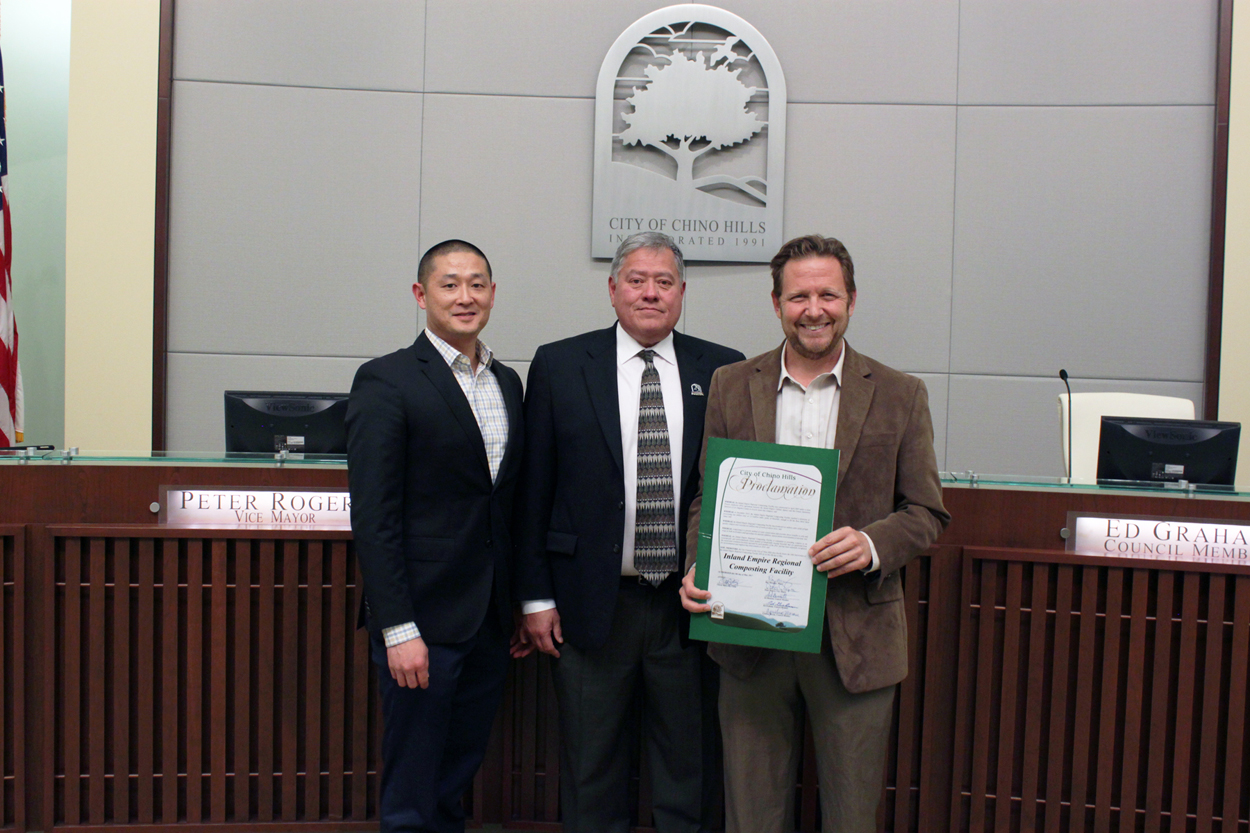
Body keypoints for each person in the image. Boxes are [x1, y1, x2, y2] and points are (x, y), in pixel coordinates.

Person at [680, 234, 950, 833]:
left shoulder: (900, 394)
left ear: (852, 300)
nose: (814, 308)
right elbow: (709, 496)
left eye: (828, 294)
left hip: (855, 637)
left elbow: (926, 512)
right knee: (751, 815)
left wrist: (872, 544)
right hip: (749, 633)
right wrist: (700, 565)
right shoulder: (730, 384)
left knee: (851, 816)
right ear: (776, 303)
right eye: (799, 295)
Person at [516, 232, 744, 833]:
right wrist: (535, 597)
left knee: (688, 769)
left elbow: (732, 487)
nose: (650, 293)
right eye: (638, 280)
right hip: (590, 603)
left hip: (688, 604)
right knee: (591, 771)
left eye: (664, 282)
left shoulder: (722, 367)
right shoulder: (560, 363)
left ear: (683, 293)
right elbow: (533, 488)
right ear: (612, 288)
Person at [346, 239, 525, 833]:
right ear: (422, 295)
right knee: (412, 784)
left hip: (489, 622)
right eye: (449, 284)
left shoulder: (508, 383)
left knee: (458, 772)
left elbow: (506, 504)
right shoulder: (386, 380)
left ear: (493, 295)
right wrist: (397, 627)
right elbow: (375, 517)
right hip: (422, 622)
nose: (465, 296)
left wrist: (519, 604)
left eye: (477, 284)